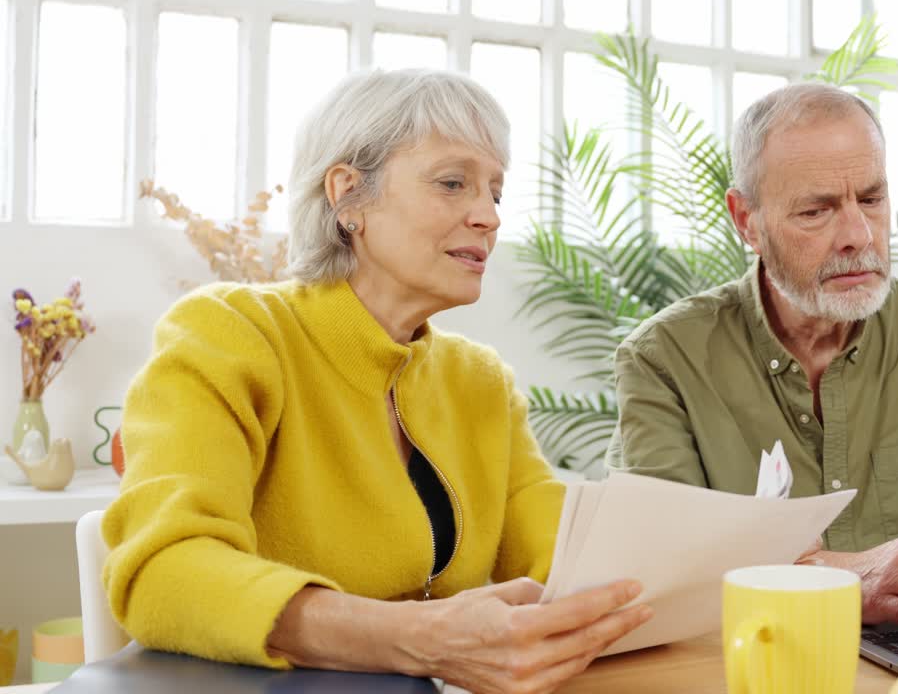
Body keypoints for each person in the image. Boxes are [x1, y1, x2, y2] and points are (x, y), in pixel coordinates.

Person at [103, 69, 651, 694]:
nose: (488, 217)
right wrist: (422, 639)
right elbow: (164, 572)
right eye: (453, 183)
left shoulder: (480, 383)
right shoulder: (230, 333)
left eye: (496, 192)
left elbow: (569, 562)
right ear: (348, 197)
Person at [606, 82, 898, 628]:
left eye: (871, 199)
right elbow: (660, 573)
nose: (859, 235)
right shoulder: (664, 359)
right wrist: (841, 577)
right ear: (747, 220)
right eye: (815, 210)